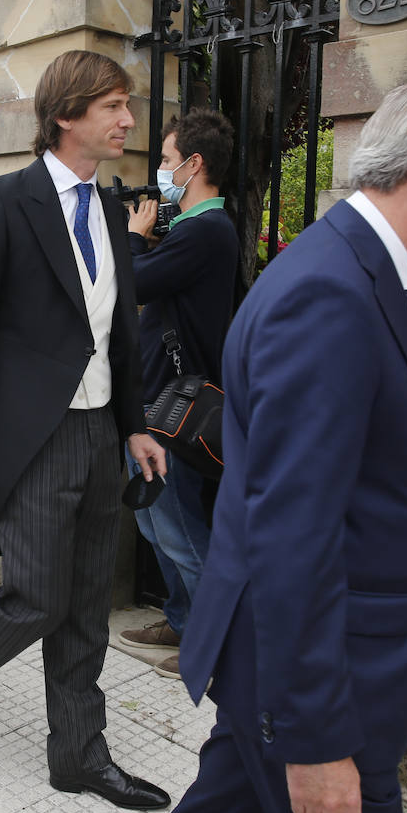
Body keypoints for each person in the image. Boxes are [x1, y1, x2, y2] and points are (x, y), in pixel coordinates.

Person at [172, 79, 407, 813]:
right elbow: (293, 528)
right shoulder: (330, 293)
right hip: (324, 684)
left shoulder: (363, 272)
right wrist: (315, 739)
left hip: (309, 663)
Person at [0, 50, 171, 811]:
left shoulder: (110, 203)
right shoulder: (1, 203)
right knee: (34, 597)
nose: (128, 120)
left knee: (88, 602)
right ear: (67, 116)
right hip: (32, 439)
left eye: (127, 107)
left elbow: (118, 336)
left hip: (99, 435)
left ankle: (78, 757)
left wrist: (134, 427)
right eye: (113, 107)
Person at [118, 109, 238, 680]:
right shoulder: (192, 231)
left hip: (178, 410)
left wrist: (136, 239)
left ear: (194, 165)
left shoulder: (207, 230)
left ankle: (214, 647)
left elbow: (136, 283)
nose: (160, 173)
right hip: (155, 403)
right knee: (154, 524)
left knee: (184, 532)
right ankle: (182, 615)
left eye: (167, 161)